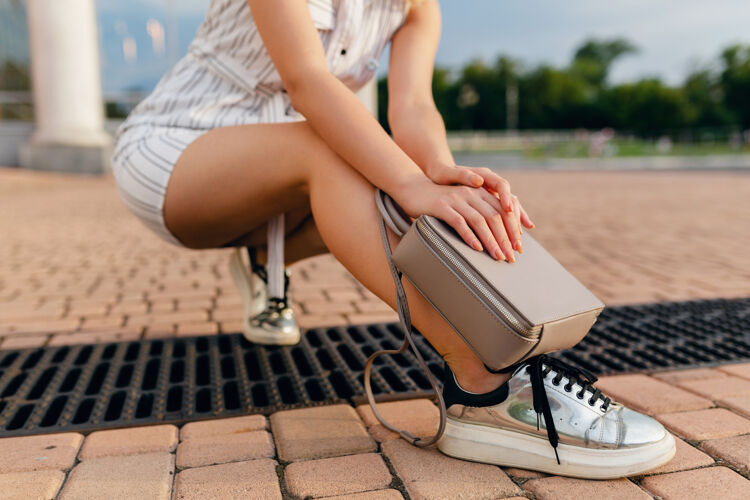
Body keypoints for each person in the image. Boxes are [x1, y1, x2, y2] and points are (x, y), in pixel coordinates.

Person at [112, 0, 675, 478]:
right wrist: (411, 183)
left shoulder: (414, 4)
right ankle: (485, 380)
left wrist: (443, 175)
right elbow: (308, 82)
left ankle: (267, 257)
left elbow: (412, 106)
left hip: (283, 172)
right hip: (179, 148)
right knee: (350, 158)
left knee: (396, 178)